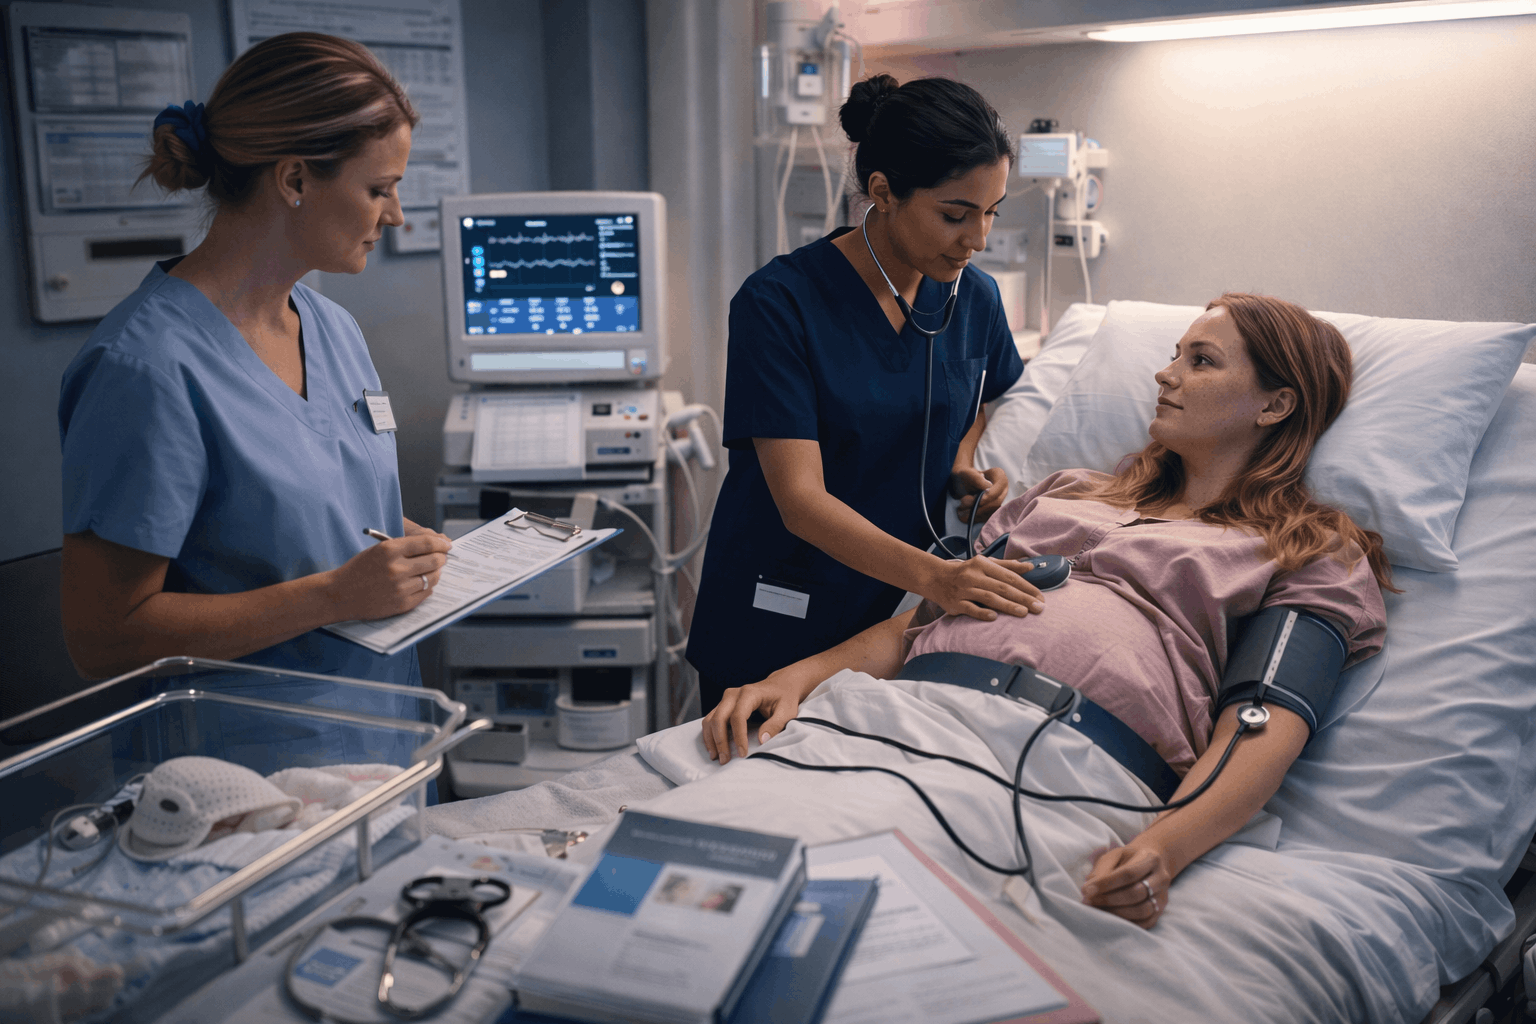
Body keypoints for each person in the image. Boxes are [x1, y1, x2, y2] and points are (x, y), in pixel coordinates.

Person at [701, 292, 1392, 929]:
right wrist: (795, 678)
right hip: (901, 712)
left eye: (1201, 361)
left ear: (1275, 405)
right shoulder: (1068, 492)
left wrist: (1166, 846)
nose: (1166, 374)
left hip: (1062, 757)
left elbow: (1262, 723)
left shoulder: (1306, 548)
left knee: (854, 903)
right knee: (720, 854)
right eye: (1174, 354)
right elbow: (924, 621)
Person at [58, 33, 451, 702]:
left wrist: (406, 550)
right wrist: (335, 595)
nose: (396, 215)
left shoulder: (333, 329)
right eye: (379, 189)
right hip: (244, 756)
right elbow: (104, 637)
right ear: (294, 180)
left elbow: (309, 514)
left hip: (386, 727)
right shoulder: (144, 368)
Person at [687, 75, 1042, 714]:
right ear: (882, 192)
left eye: (992, 211)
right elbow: (800, 501)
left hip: (894, 618)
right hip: (782, 611)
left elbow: (973, 401)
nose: (978, 238)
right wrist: (941, 579)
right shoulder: (780, 304)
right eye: (955, 215)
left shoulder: (975, 297)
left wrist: (960, 464)